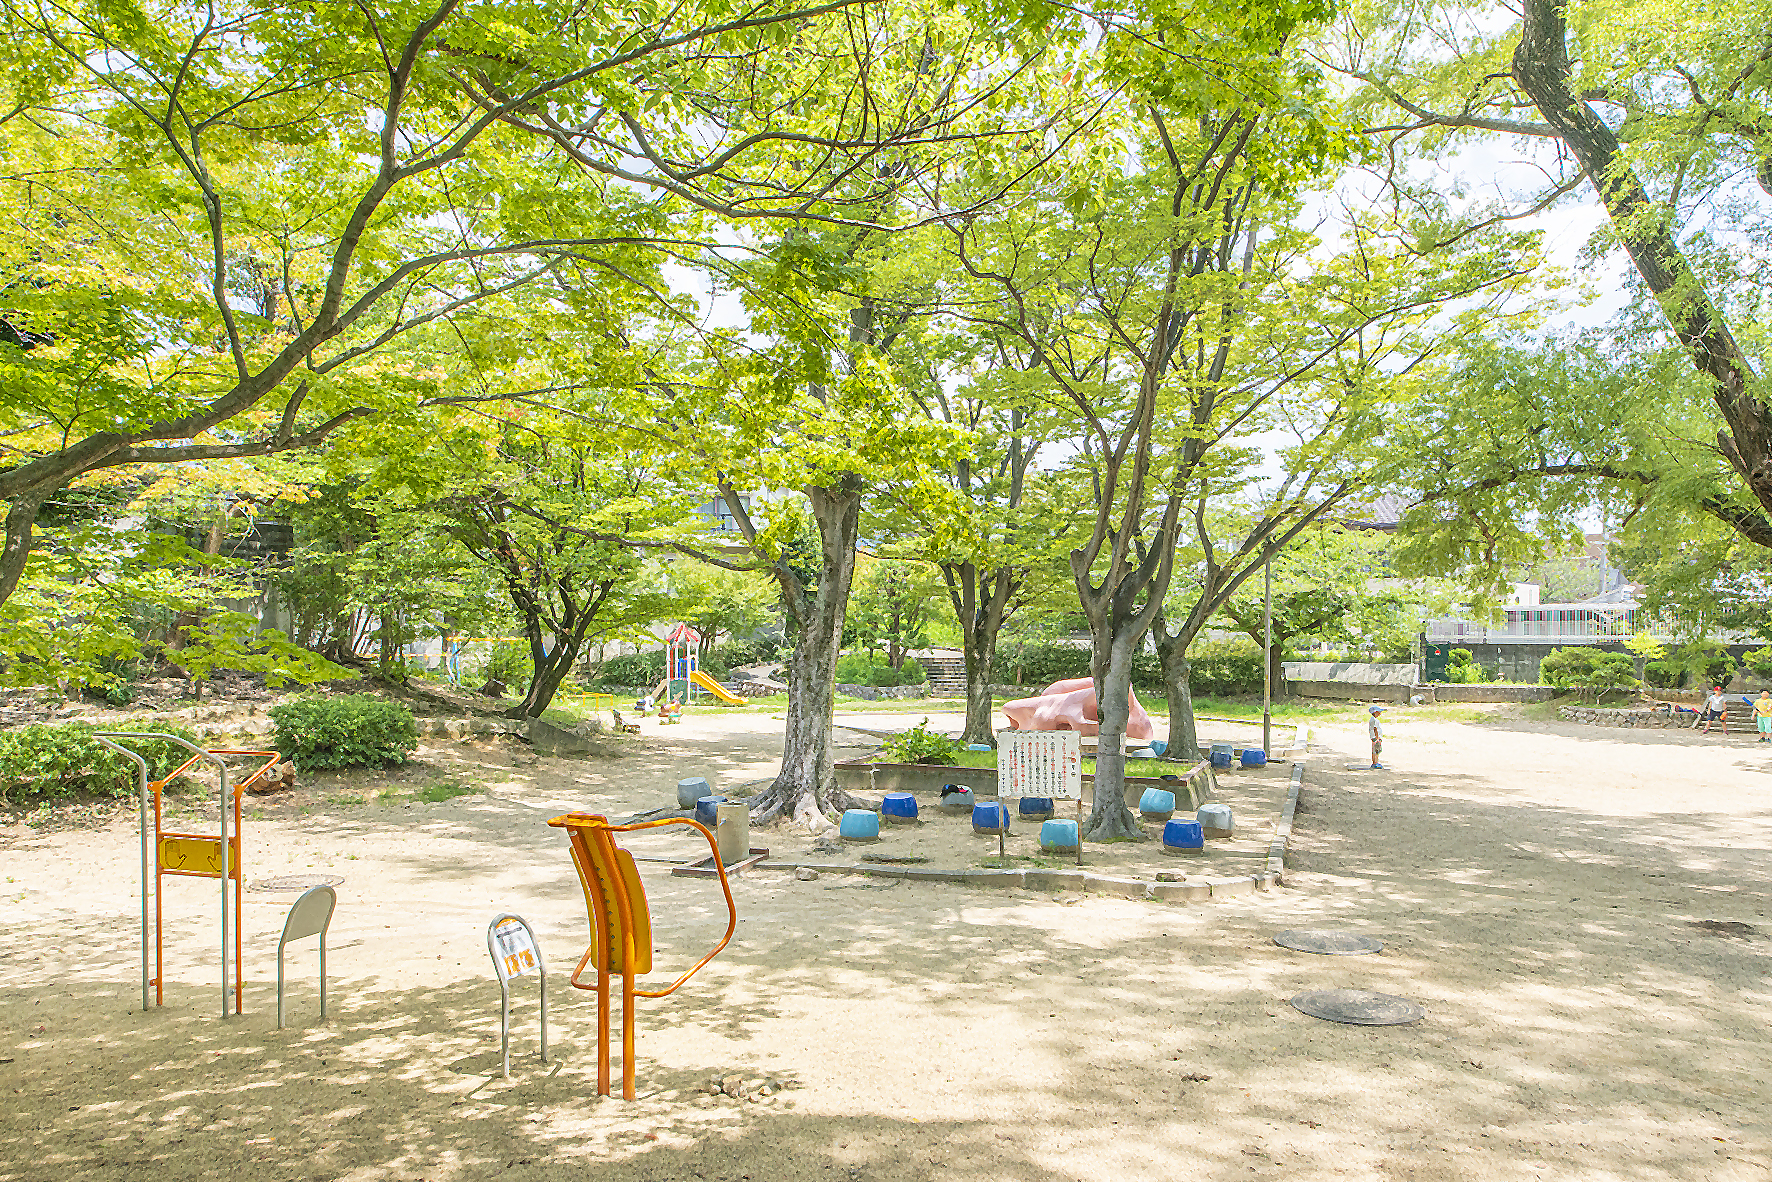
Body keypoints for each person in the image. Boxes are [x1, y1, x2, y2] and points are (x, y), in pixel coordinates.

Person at [1367, 705, 1386, 769]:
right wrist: (1377, 738)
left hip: (1374, 737)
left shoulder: (1373, 719)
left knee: (1375, 750)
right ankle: (1375, 762)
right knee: (1376, 750)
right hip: (1375, 737)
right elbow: (1375, 729)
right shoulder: (1374, 720)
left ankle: (1375, 762)